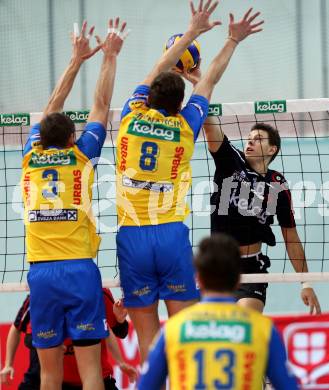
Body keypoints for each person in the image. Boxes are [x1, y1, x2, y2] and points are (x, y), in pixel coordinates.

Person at [116, 0, 264, 364]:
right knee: (186, 334)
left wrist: (190, 34)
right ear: (181, 103)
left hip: (132, 235)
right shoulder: (186, 125)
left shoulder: (129, 116)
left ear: (146, 98)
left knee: (150, 345)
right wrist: (231, 40)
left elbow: (156, 69)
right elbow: (209, 79)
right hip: (170, 235)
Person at [21, 18, 127, 390]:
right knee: (91, 373)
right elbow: (101, 104)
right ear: (71, 137)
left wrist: (75, 59)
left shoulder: (29, 157)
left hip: (42, 274)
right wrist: (108, 56)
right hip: (80, 271)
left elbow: (52, 106)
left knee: (48, 374)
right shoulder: (82, 158)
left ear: (42, 136)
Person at [138, 234, 298, 389]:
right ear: (237, 280)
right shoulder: (263, 330)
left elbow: (146, 386)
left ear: (198, 279)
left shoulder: (173, 329)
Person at [201, 115, 322, 315]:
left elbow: (291, 237)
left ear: (271, 150)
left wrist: (305, 283)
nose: (250, 141)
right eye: (249, 138)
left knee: (243, 324)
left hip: (251, 266)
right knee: (216, 329)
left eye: (258, 139)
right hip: (218, 263)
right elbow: (210, 127)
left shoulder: (278, 184)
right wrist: (204, 92)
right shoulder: (231, 160)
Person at [0, 290, 137, 390]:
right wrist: (8, 364)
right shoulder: (40, 296)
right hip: (60, 381)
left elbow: (111, 330)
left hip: (98, 378)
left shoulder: (98, 293)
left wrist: (121, 361)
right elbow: (17, 328)